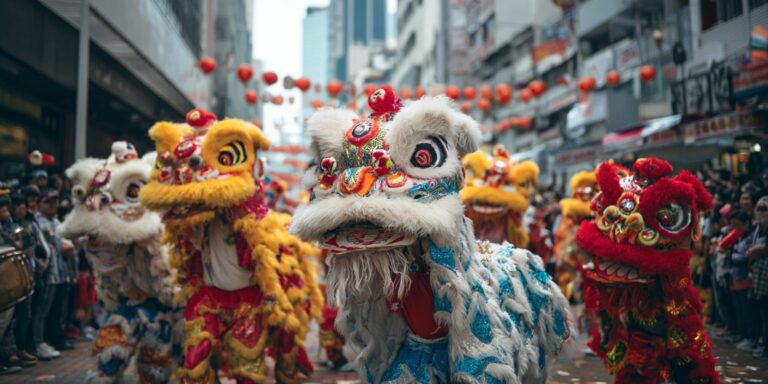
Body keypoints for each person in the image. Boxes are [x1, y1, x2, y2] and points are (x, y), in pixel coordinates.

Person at [33, 189, 64, 359]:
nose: (52, 205)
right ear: (39, 204)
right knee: (40, 310)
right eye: (48, 202)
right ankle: (37, 343)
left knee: (50, 310)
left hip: (58, 272)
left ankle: (44, 341)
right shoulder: (37, 222)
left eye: (55, 202)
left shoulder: (57, 222)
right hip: (45, 272)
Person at [728, 209, 760, 349]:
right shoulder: (740, 236)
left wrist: (732, 255)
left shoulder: (753, 236)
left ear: (746, 222)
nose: (735, 228)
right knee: (740, 310)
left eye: (737, 225)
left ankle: (752, 338)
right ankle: (744, 335)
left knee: (749, 312)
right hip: (737, 278)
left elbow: (747, 256)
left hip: (747, 279)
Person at [748, 196, 768, 358]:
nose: (761, 212)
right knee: (761, 311)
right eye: (759, 209)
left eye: (764, 209)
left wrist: (758, 250)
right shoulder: (758, 228)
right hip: (759, 274)